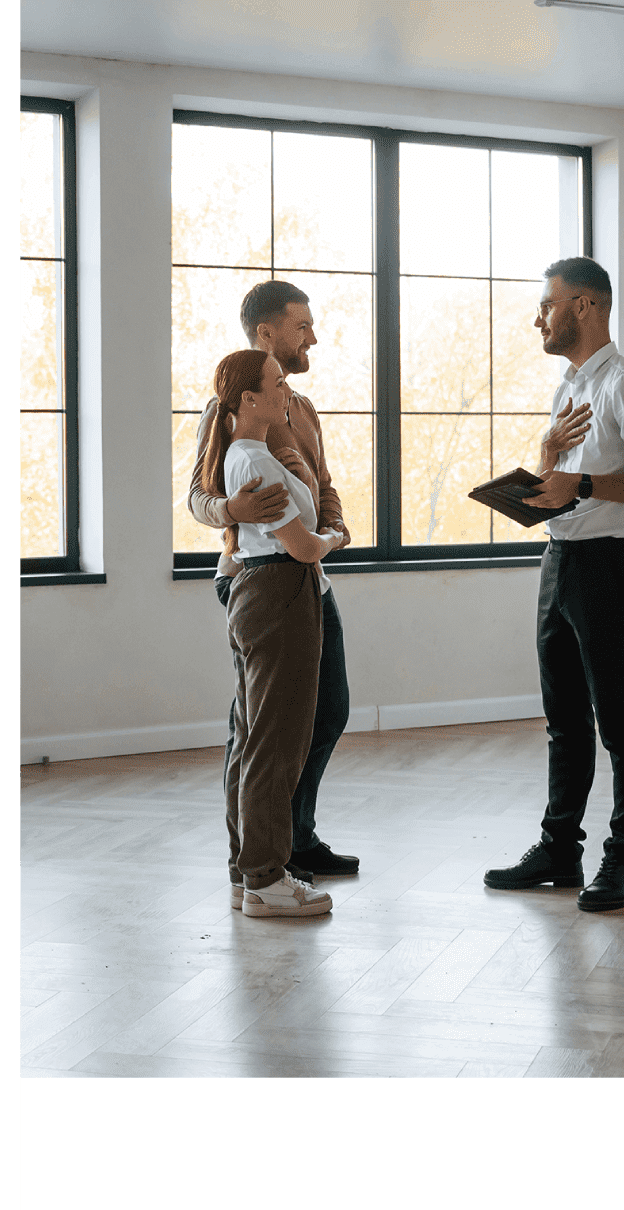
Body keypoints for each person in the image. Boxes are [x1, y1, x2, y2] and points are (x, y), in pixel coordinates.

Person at [484, 257, 624, 912]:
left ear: (586, 306)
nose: (538, 316)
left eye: (548, 303)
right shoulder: (568, 387)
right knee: (564, 720)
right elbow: (561, 490)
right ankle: (559, 849)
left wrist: (586, 484)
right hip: (560, 561)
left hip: (608, 567)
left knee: (620, 723)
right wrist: (544, 472)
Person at [189, 280, 359, 893]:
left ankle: (293, 835)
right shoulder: (229, 407)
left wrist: (334, 527)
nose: (312, 335)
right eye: (301, 325)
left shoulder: (304, 408)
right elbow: (198, 500)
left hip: (309, 574)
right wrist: (232, 508)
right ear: (267, 332)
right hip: (254, 577)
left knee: (328, 708)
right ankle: (262, 856)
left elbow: (323, 483)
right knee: (259, 728)